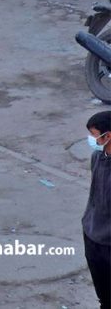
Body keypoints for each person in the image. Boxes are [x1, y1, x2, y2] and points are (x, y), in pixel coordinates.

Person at [83, 111, 111, 309]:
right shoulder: (97, 157)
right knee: (103, 297)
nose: (92, 139)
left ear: (107, 135)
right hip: (92, 236)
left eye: (94, 135)